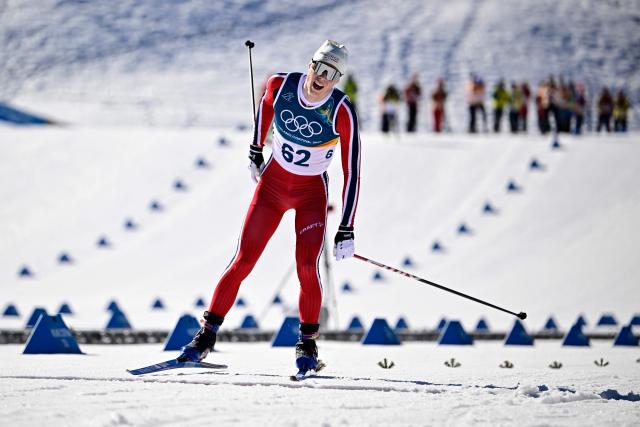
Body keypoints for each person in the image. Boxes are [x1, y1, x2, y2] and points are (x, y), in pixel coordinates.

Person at [178, 40, 361, 374]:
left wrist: (346, 226)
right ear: (310, 64)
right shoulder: (282, 84)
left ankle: (307, 344)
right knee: (243, 260)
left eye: (331, 74)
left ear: (338, 80)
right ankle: (205, 337)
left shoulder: (341, 110)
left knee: (307, 266)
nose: (321, 78)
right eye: (319, 68)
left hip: (310, 195)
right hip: (272, 187)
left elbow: (352, 171)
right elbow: (264, 105)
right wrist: (255, 149)